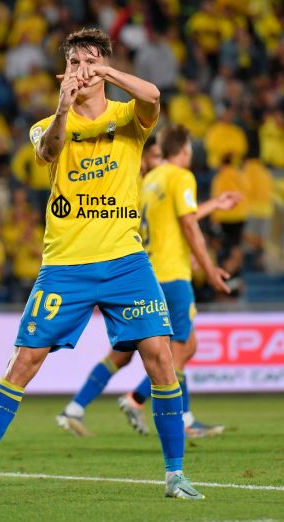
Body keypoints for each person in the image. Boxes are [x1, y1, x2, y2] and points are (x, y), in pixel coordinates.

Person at [0, 27, 205, 503]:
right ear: (62, 72)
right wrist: (66, 105)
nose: (81, 70)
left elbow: (153, 96)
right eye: (73, 63)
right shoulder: (48, 123)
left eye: (89, 62)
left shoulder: (129, 117)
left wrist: (105, 71)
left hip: (126, 263)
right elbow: (48, 150)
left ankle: (175, 476)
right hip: (65, 265)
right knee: (23, 362)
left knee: (161, 359)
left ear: (106, 67)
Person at [56, 125, 240, 439]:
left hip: (143, 277)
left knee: (128, 352)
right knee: (180, 349)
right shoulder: (181, 176)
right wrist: (210, 269)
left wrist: (213, 205)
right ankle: (147, 403)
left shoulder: (146, 182)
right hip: (173, 277)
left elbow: (174, 218)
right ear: (185, 151)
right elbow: (188, 225)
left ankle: (75, 407)